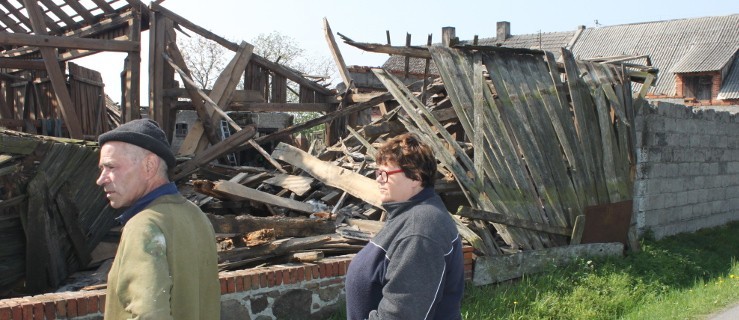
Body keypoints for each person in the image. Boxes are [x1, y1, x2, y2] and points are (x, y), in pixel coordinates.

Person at [96, 119, 220, 320]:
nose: (101, 179)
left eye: (111, 167)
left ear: (149, 165)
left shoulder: (144, 225)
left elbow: (149, 314)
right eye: (102, 169)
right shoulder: (196, 216)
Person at [345, 133, 465, 320]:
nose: (379, 180)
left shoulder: (420, 230)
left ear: (416, 177)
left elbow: (401, 314)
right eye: (378, 173)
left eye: (385, 174)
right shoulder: (409, 215)